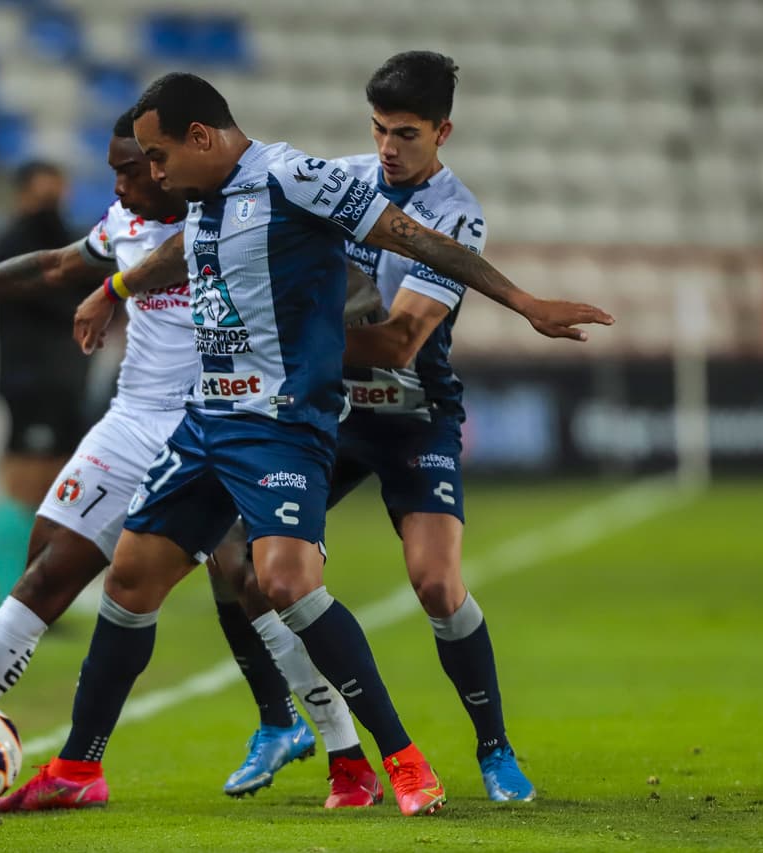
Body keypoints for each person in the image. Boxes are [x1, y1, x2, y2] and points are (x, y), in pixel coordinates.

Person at [0, 73, 612, 817]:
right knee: (129, 580)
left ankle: (402, 759)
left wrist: (525, 303)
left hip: (281, 421)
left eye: (158, 157)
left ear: (200, 138)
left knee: (287, 580)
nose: (151, 174)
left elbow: (411, 236)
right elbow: (184, 250)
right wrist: (116, 289)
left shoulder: (294, 178)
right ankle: (79, 767)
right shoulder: (205, 196)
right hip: (205, 420)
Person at [0, 109, 364, 809]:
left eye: (134, 168)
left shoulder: (238, 219)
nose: (124, 183)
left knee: (251, 583)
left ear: (170, 164)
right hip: (131, 422)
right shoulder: (126, 224)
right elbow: (56, 265)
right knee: (46, 571)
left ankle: (339, 743)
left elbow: (342, 278)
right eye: (119, 170)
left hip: (218, 420)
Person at [216, 50, 539, 803]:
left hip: (411, 417)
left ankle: (494, 749)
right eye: (378, 130)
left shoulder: (458, 214)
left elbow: (398, 342)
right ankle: (290, 725)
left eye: (406, 133)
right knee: (233, 555)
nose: (388, 147)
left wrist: (285, 330)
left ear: (443, 132)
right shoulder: (342, 180)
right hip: (328, 415)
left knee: (435, 583)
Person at [0, 161, 86, 609]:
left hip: (65, 380)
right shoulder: (14, 246)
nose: (52, 205)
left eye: (57, 194)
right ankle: (8, 589)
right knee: (23, 482)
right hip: (28, 380)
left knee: (59, 483)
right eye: (44, 195)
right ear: (23, 195)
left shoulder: (69, 243)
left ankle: (46, 587)